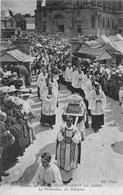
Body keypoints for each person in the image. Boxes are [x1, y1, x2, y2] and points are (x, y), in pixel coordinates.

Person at [55, 116, 81, 184]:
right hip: (63, 149)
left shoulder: (75, 129)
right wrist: (62, 134)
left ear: (72, 122)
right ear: (65, 121)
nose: (69, 123)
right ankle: (62, 177)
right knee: (63, 164)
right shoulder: (62, 128)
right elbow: (58, 138)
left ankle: (70, 177)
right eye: (67, 121)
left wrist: (73, 135)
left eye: (70, 121)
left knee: (70, 164)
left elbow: (78, 141)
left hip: (72, 150)